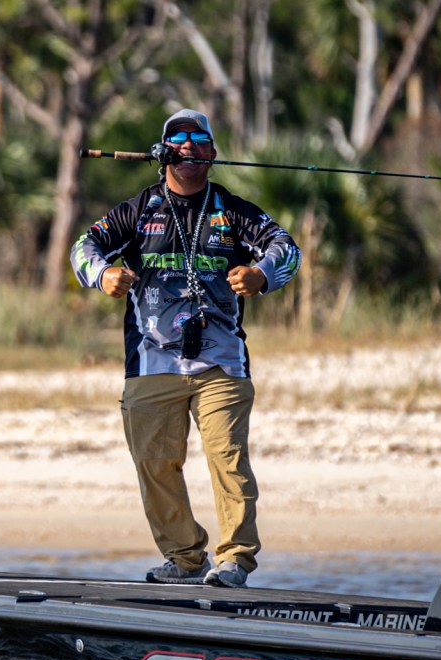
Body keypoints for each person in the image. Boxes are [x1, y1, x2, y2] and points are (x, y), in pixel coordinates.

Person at [70, 109, 301, 588]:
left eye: (200, 138)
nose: (189, 144)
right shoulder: (139, 209)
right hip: (151, 361)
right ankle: (184, 557)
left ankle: (234, 559)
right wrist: (103, 274)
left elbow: (287, 248)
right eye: (179, 137)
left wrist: (261, 275)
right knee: (154, 464)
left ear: (212, 153)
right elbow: (83, 248)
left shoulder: (232, 210)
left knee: (228, 460)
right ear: (163, 152)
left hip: (221, 363)